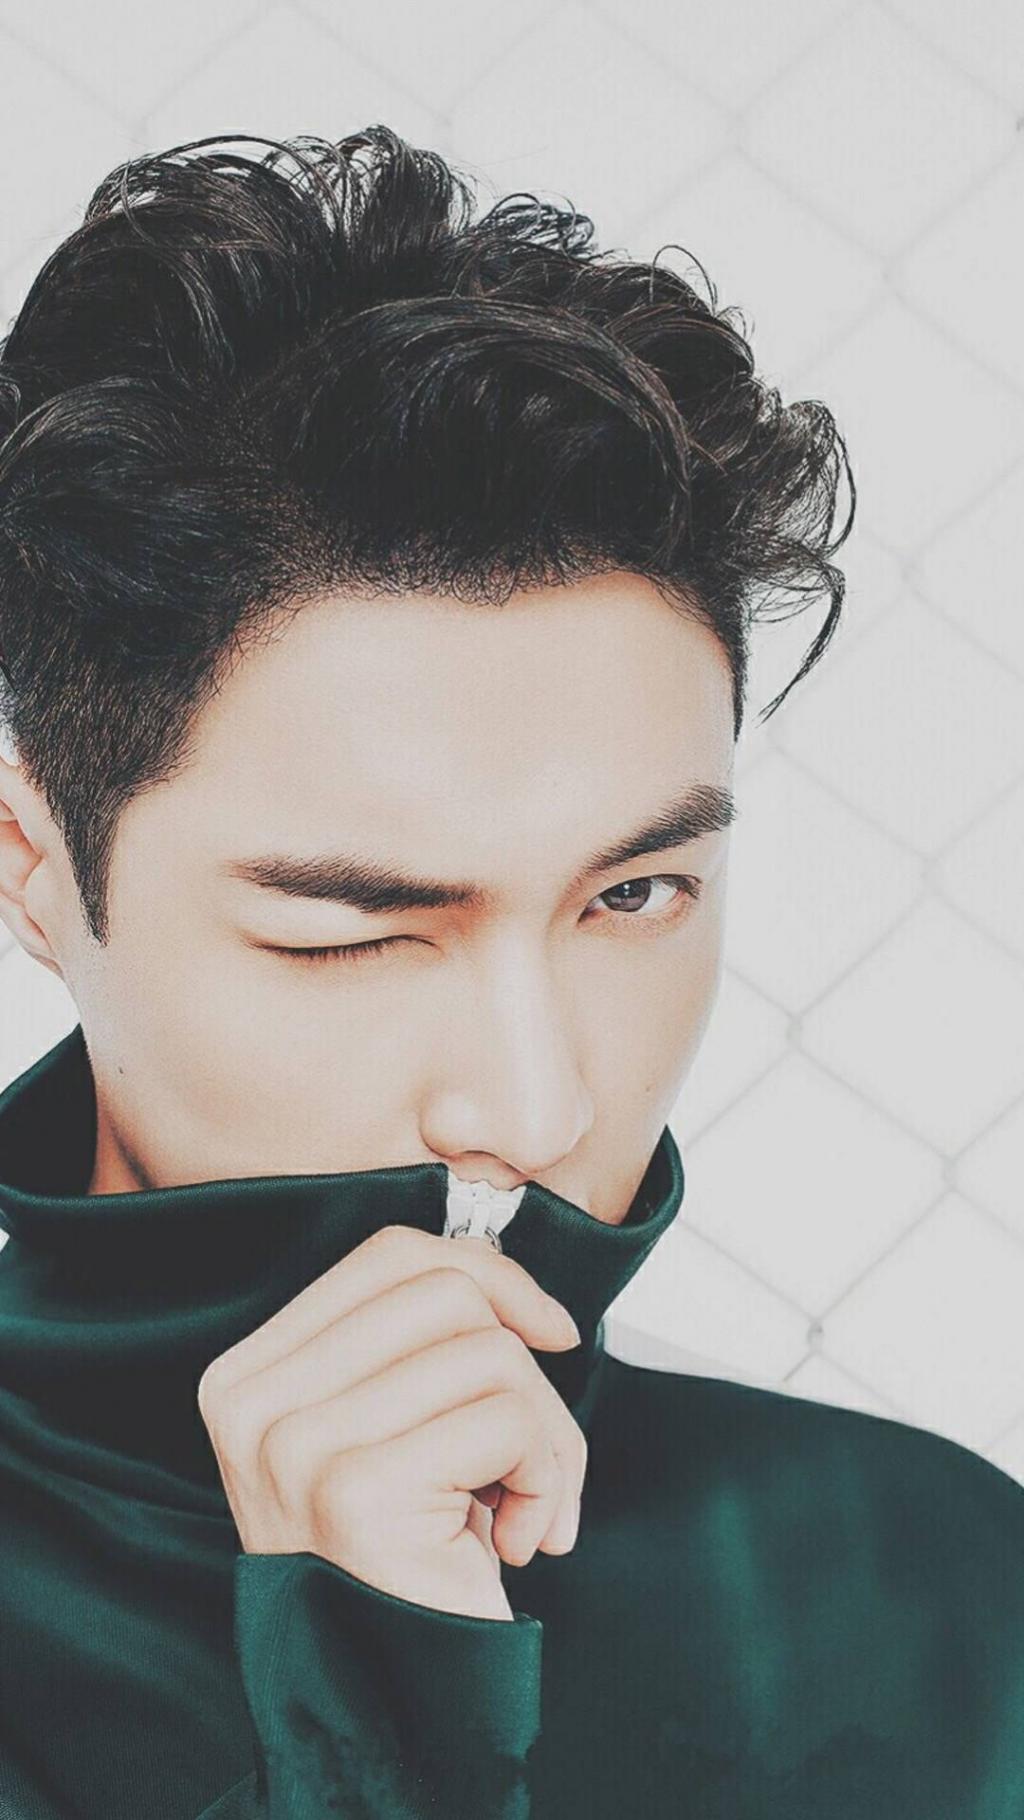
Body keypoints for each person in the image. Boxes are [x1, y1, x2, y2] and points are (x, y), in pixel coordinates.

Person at [0, 124, 1020, 1820]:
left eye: (634, 896)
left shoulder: (935, 1596)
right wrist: (380, 1732)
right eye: (359, 934)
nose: (536, 1109)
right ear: (34, 872)